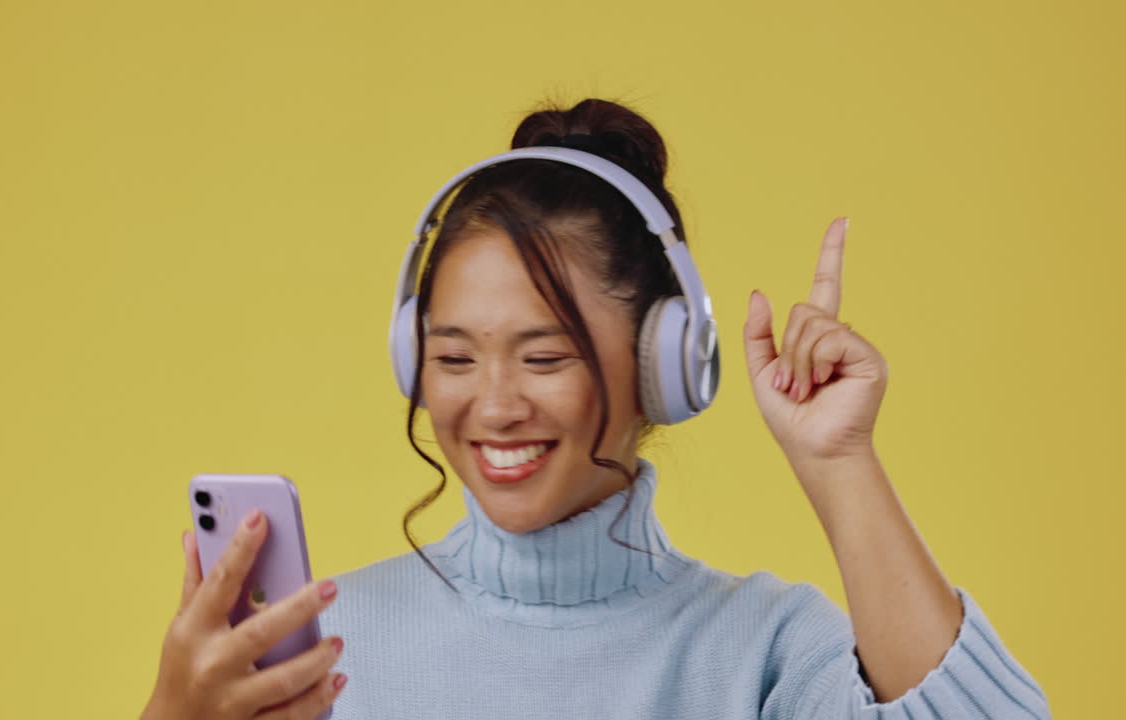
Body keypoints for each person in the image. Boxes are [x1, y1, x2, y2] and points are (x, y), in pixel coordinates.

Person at [142, 99, 1050, 719]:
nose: (494, 405)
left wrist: (839, 461)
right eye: (454, 356)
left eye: (545, 356)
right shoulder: (320, 654)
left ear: (663, 364)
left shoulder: (763, 650)